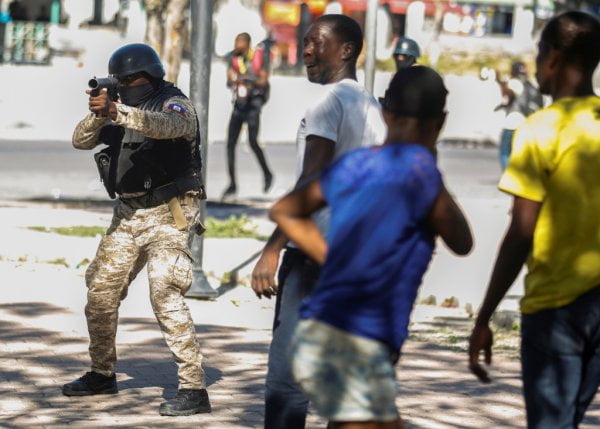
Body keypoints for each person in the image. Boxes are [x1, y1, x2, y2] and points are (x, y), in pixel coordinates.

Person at [270, 66, 473, 429]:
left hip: (330, 329)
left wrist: (330, 259)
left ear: (385, 112)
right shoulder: (421, 174)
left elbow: (285, 211)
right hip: (359, 338)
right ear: (440, 123)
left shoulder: (354, 164)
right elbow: (462, 241)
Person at [251, 14, 386, 429]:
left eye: (316, 42)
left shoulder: (328, 102)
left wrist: (272, 249)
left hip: (314, 255)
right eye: (305, 42)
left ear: (346, 50)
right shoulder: (372, 106)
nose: (306, 50)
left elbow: (312, 180)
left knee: (287, 381)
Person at [62, 43, 211, 417]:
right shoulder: (116, 107)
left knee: (164, 289)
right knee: (100, 292)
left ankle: (194, 388)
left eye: (132, 80)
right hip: (128, 213)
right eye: (121, 81)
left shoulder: (173, 102)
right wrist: (102, 112)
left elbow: (174, 126)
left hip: (171, 211)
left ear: (152, 76)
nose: (127, 85)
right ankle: (101, 373)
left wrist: (119, 111)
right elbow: (80, 140)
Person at [468, 11, 600, 429]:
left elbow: (521, 232)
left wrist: (485, 315)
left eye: (540, 50)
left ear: (554, 58)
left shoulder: (540, 130)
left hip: (555, 309)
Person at [222, 32, 274, 199]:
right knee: (230, 143)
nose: (237, 46)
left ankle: (267, 174)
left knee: (252, 141)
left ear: (248, 44)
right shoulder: (233, 58)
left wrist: (245, 79)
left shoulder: (260, 56)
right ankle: (232, 184)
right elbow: (229, 80)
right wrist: (233, 81)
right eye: (236, 43)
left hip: (254, 104)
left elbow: (263, 80)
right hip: (240, 104)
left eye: (240, 43)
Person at [496, 61, 543, 170]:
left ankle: (508, 177)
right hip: (525, 123)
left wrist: (499, 81)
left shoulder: (515, 82)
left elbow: (508, 93)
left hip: (512, 124)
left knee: (505, 152)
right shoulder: (530, 84)